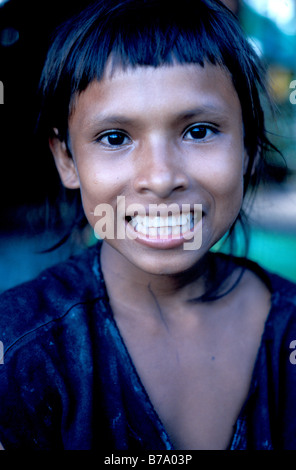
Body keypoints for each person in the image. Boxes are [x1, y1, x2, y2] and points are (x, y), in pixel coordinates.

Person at [0, 0, 295, 451]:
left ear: (249, 146)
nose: (159, 178)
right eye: (115, 138)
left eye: (198, 131)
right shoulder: (20, 352)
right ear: (67, 159)